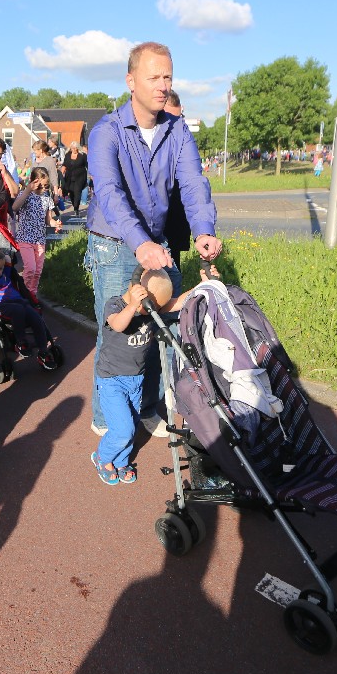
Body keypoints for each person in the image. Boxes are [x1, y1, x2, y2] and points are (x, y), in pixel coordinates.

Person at [85, 41, 222, 437]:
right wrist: (140, 243)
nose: (163, 85)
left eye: (168, 77)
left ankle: (146, 407)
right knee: (119, 331)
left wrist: (203, 230)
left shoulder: (177, 130)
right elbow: (109, 192)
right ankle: (105, 417)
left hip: (156, 240)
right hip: (114, 242)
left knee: (160, 327)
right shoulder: (106, 132)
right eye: (154, 77)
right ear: (131, 81)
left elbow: (193, 183)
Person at [91, 269, 190, 486]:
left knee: (132, 424)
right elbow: (117, 324)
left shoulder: (151, 307)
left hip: (135, 380)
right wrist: (133, 306)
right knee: (122, 429)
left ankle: (121, 460)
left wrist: (204, 284)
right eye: (151, 307)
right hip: (112, 380)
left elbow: (178, 302)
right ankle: (103, 457)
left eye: (157, 307)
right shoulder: (115, 305)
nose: (155, 312)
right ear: (136, 292)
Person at [0, 248, 60, 368]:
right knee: (18, 310)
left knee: (37, 318)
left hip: (20, 301)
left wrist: (3, 258)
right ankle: (21, 342)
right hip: (0, 305)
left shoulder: (5, 273)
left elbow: (8, 259)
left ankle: (43, 352)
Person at [11, 166, 63, 298]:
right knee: (30, 269)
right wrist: (28, 190)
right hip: (25, 239)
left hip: (40, 240)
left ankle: (32, 295)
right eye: (40, 186)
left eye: (46, 186)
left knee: (37, 271)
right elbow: (15, 207)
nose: (44, 189)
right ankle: (24, 294)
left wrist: (55, 224)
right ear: (33, 182)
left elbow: (48, 219)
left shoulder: (47, 198)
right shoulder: (26, 195)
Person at [161, 91, 192, 271]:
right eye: (169, 118)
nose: (174, 124)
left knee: (174, 270)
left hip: (175, 218)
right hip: (154, 221)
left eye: (179, 118)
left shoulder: (183, 137)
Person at [61, 141, 88, 218]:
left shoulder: (82, 155)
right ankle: (74, 204)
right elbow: (64, 165)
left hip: (80, 177)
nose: (74, 149)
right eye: (72, 148)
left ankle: (76, 208)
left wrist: (92, 175)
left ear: (78, 148)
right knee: (71, 192)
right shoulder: (67, 155)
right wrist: (61, 174)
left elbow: (87, 165)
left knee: (77, 192)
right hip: (69, 177)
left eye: (75, 148)